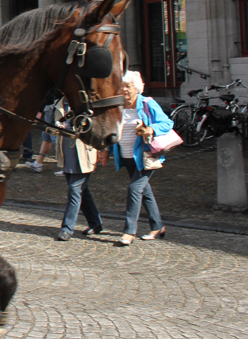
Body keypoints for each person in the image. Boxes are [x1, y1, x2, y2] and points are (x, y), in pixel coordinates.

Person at [110, 70, 172, 246]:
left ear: (136, 88)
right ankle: (157, 225)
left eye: (128, 86)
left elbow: (167, 123)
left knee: (135, 189)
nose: (124, 90)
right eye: (122, 86)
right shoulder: (119, 106)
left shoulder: (146, 103)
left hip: (146, 156)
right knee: (145, 191)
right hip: (127, 156)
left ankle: (129, 231)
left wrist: (150, 129)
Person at [53, 99, 103, 241]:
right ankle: (96, 223)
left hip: (83, 155)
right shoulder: (59, 105)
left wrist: (102, 151)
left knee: (74, 190)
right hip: (67, 155)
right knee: (83, 192)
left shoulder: (86, 104)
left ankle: (67, 228)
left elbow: (97, 127)